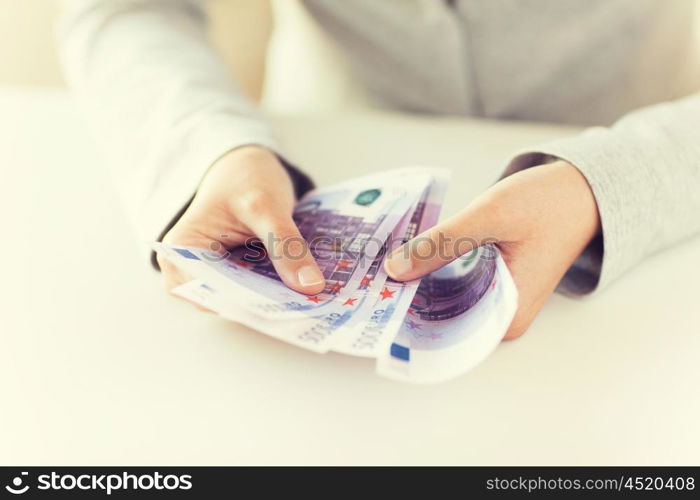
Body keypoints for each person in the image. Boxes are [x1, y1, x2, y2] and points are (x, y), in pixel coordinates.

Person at [60, 0, 700, 339]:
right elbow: (126, 7)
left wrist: (611, 185)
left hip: (652, 187)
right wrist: (204, 152)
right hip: (318, 150)